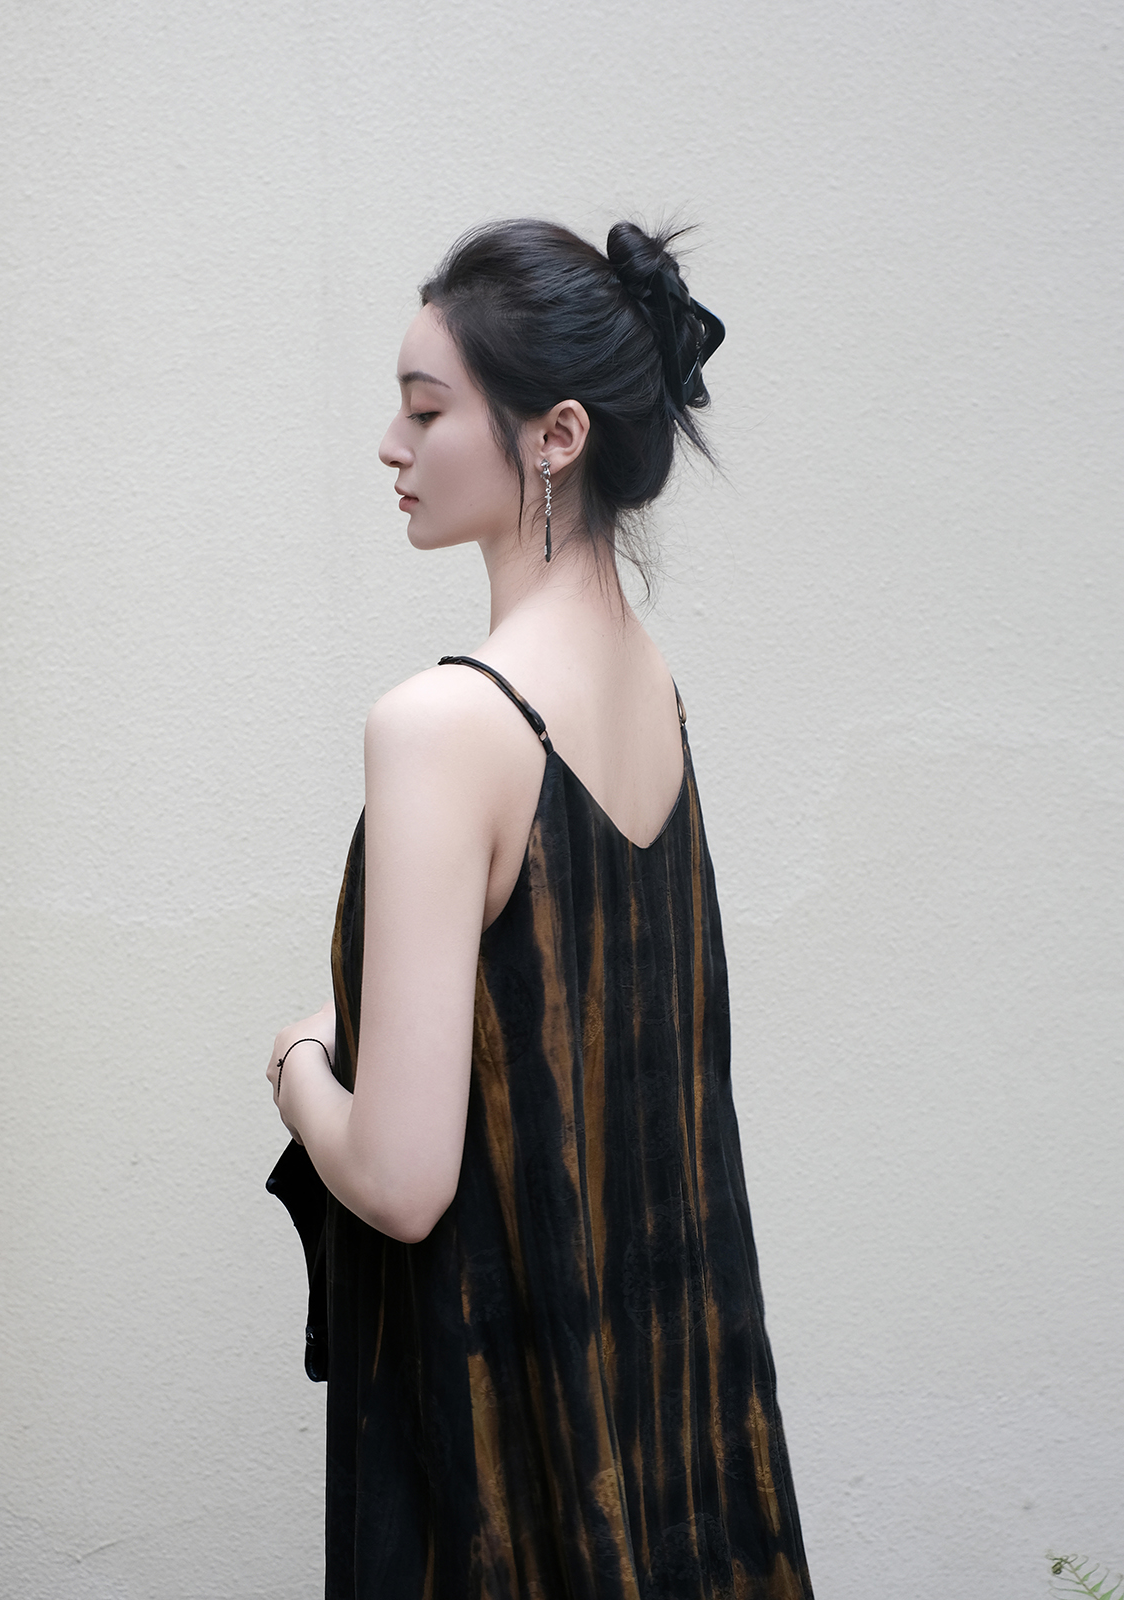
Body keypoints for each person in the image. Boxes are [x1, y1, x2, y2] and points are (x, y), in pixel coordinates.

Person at [265, 218, 814, 1600]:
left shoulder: (443, 725)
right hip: (663, 1417)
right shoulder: (647, 681)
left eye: (425, 409)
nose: (390, 445)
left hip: (502, 1459)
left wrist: (298, 1063)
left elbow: (402, 1182)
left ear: (557, 435)